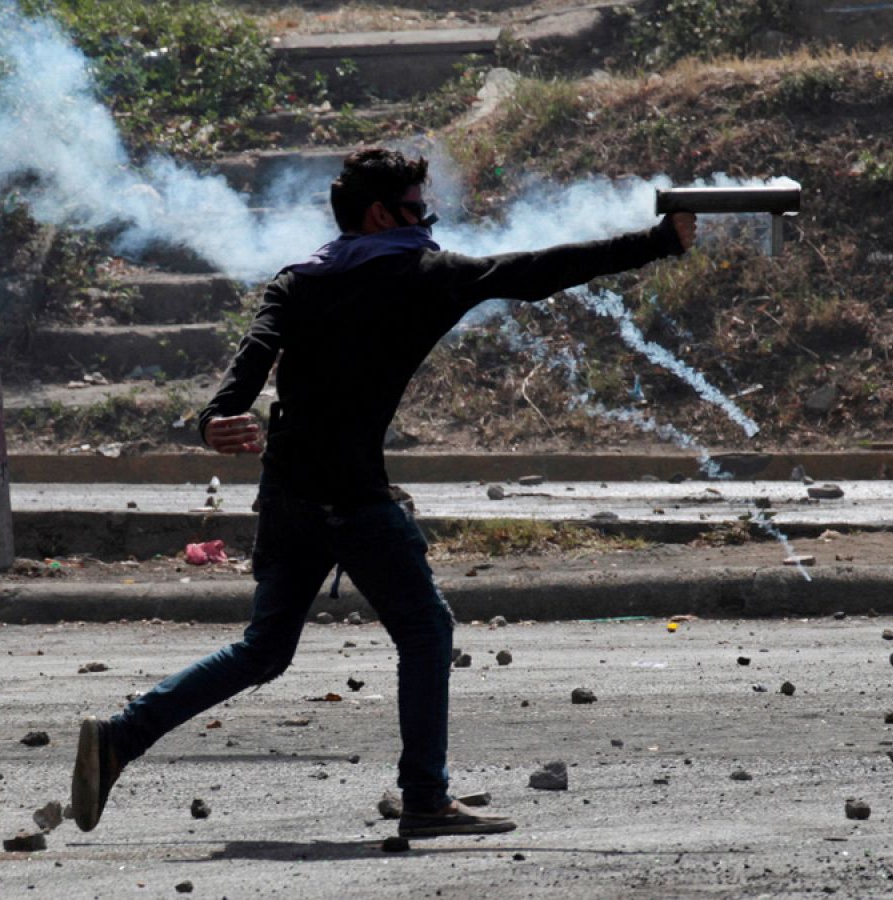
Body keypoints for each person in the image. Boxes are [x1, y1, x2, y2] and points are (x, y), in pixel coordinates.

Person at [73, 147, 696, 838]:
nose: (428, 221)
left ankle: (121, 737)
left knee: (264, 649)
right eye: (418, 207)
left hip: (287, 491)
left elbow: (254, 353)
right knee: (427, 632)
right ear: (381, 213)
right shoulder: (421, 275)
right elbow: (538, 271)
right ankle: (425, 798)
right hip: (351, 498)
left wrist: (215, 417)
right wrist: (657, 244)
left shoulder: (299, 278)